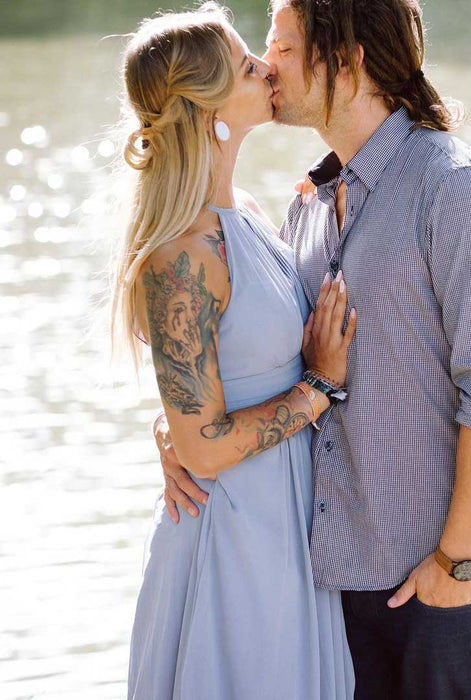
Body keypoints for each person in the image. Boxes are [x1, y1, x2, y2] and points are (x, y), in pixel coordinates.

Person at [157, 0, 471, 698]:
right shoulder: (305, 207)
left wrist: (455, 563)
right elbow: (253, 349)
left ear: (349, 59)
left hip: (436, 584)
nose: (269, 66)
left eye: (285, 49)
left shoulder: (456, 189)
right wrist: (178, 427)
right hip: (329, 585)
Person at [111, 3, 357, 699]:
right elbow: (204, 447)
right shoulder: (181, 255)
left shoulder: (244, 213)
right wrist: (318, 389)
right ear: (208, 110)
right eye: (248, 66)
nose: (267, 69)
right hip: (231, 532)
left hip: (287, 520)